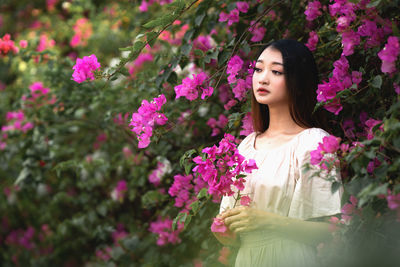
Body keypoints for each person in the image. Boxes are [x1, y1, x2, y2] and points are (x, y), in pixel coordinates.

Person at [213, 39, 343, 267]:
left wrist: (268, 222)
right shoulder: (246, 146)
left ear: (299, 83)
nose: (262, 78)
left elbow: (330, 230)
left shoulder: (314, 142)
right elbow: (235, 230)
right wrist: (226, 232)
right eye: (258, 69)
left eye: (276, 71)